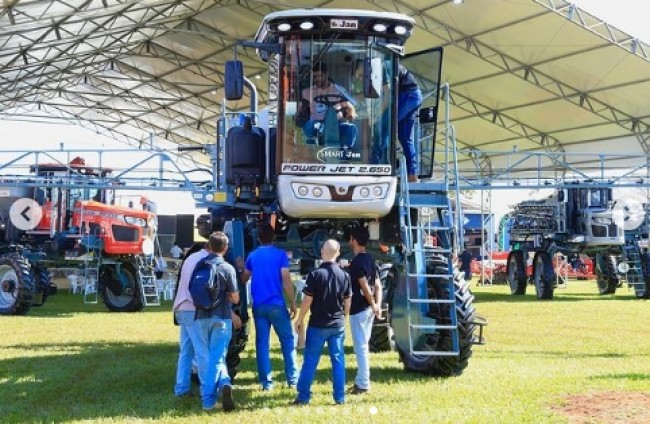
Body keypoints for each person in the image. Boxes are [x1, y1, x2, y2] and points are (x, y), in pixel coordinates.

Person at [173, 232, 239, 412]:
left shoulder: (193, 259)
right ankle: (209, 393)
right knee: (208, 355)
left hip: (182, 307)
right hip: (199, 311)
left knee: (186, 351)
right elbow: (230, 297)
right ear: (224, 247)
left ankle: (181, 389)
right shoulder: (220, 265)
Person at [237, 223, 298, 391]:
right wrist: (292, 303)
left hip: (259, 306)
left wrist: (241, 267)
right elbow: (286, 280)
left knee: (262, 345)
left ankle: (267, 383)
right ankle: (292, 380)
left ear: (258, 238)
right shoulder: (280, 255)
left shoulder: (253, 256)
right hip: (277, 304)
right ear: (274, 237)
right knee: (287, 342)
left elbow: (244, 279)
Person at [293, 239, 352, 406]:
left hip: (318, 324)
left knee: (310, 361)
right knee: (338, 361)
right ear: (338, 253)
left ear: (321, 253)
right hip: (337, 325)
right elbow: (348, 301)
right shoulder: (345, 275)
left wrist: (300, 318)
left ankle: (303, 397)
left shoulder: (315, 274)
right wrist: (343, 317)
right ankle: (339, 397)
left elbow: (307, 300)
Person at [347, 227, 382, 395]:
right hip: (369, 309)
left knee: (360, 348)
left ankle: (363, 383)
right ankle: (360, 380)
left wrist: (373, 303)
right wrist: (377, 305)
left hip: (359, 309)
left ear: (354, 240)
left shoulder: (356, 263)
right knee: (364, 346)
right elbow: (377, 285)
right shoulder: (369, 259)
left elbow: (364, 286)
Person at [297, 62, 357, 148]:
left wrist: (350, 114)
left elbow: (350, 106)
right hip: (317, 124)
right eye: (315, 77)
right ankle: (313, 149)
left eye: (320, 76)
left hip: (337, 124)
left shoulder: (338, 90)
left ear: (326, 74)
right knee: (309, 125)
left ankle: (345, 152)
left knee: (351, 128)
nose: (317, 79)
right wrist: (299, 115)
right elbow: (300, 108)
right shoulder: (307, 92)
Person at [396, 64, 423, 183]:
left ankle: (381, 163)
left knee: (388, 128)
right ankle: (412, 174)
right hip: (414, 96)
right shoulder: (390, 64)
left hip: (408, 96)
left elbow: (386, 94)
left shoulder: (385, 64)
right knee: (405, 138)